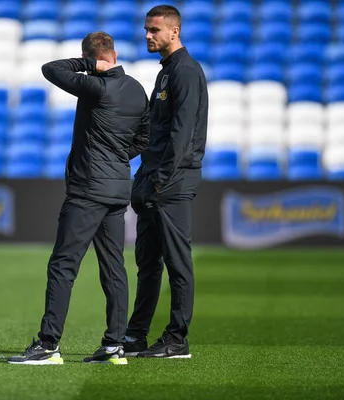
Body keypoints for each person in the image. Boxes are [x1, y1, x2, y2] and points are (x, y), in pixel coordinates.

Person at [8, 32, 150, 365]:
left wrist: (89, 66)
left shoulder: (95, 86)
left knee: (63, 266)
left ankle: (48, 345)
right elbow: (144, 138)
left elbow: (51, 68)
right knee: (114, 269)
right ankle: (115, 346)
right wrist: (116, 158)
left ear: (94, 59)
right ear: (115, 55)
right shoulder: (136, 90)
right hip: (117, 190)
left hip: (88, 190)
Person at [123, 5, 208, 358]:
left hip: (171, 181)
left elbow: (181, 135)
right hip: (153, 179)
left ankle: (177, 338)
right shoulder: (166, 72)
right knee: (148, 263)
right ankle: (135, 335)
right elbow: (157, 133)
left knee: (177, 262)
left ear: (173, 32)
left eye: (154, 30)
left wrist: (159, 180)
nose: (147, 35)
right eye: (146, 29)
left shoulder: (185, 72)